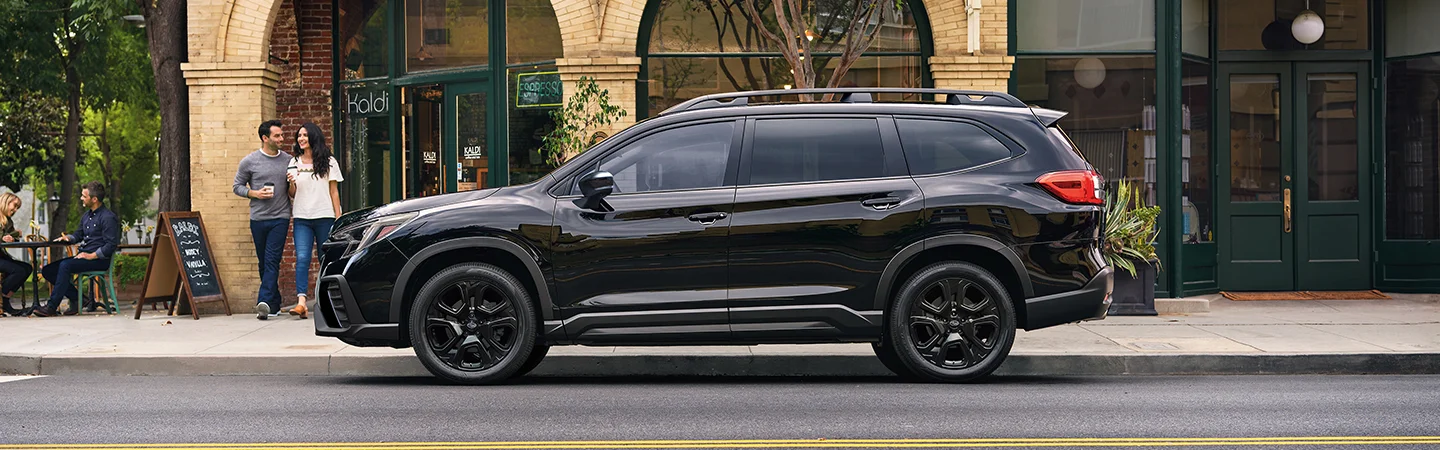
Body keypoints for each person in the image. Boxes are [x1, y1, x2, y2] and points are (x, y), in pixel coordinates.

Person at [32, 182, 120, 317]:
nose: (81, 198)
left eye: (84, 196)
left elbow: (111, 245)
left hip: (99, 260)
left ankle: (51, 307)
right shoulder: (86, 216)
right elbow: (78, 235)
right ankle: (79, 298)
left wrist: (91, 256)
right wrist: (68, 238)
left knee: (65, 265)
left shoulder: (108, 217)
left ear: (94, 199)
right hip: (83, 257)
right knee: (48, 270)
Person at [234, 120, 293, 320]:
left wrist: (292, 183)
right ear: (265, 138)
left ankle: (264, 301)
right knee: (263, 262)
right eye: (277, 136)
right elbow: (237, 186)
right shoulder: (249, 162)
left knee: (271, 260)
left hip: (280, 217)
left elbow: (293, 190)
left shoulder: (288, 160)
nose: (281, 139)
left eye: (281, 135)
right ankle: (274, 304)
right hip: (258, 218)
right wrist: (255, 193)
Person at [286, 122, 343, 319]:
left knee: (325, 259)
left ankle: (324, 299)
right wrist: (292, 183)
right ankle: (301, 302)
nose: (301, 138)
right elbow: (292, 194)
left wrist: (338, 219)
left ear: (313, 137)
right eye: (299, 135)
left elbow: (334, 192)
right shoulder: (294, 162)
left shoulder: (329, 162)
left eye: (304, 135)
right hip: (302, 217)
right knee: (302, 258)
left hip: (325, 216)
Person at [0, 192, 33, 316]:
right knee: (17, 271)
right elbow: (4, 237)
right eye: (14, 206)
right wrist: (9, 236)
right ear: (5, 202)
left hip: (2, 256)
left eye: (17, 208)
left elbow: (12, 237)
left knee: (27, 268)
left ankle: (5, 298)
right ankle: (4, 301)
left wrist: (14, 237)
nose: (15, 210)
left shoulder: (8, 221)